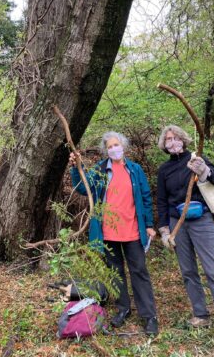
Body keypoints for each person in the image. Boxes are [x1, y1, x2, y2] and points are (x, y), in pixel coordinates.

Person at [157, 124, 214, 352]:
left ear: (184, 140)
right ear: (164, 145)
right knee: (188, 272)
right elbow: (162, 202)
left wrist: (205, 171)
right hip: (178, 224)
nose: (172, 143)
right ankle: (201, 314)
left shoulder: (196, 159)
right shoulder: (164, 170)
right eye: (168, 140)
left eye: (175, 138)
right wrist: (165, 230)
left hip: (202, 221)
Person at [69, 131, 158, 336]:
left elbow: (145, 198)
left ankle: (149, 316)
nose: (113, 149)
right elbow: (84, 187)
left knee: (139, 273)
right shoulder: (100, 170)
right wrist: (76, 167)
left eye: (116, 145)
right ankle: (123, 309)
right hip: (108, 233)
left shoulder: (135, 170)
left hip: (133, 232)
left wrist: (150, 224)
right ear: (105, 150)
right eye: (109, 147)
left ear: (123, 146)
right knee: (115, 273)